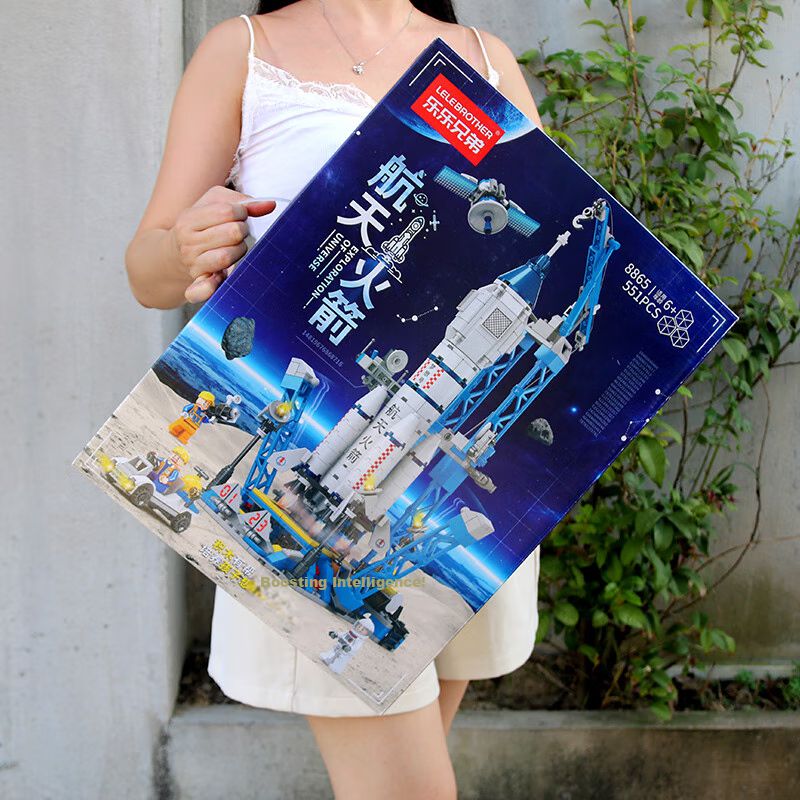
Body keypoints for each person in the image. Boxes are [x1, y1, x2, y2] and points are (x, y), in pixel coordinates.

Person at [125, 2, 543, 798]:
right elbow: (147, 272)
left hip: (427, 481)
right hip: (327, 509)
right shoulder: (244, 51)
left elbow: (537, 217)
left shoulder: (485, 61)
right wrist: (184, 246)